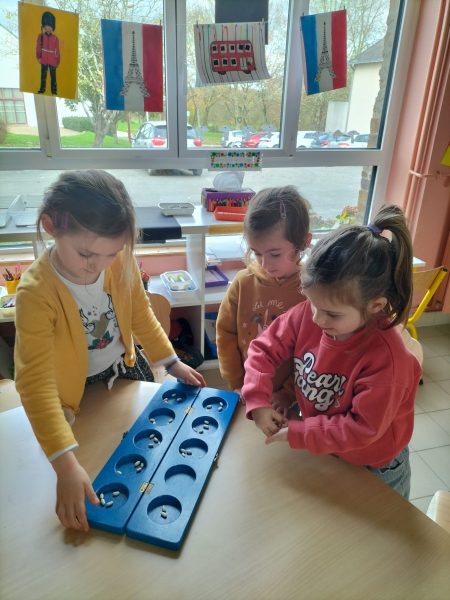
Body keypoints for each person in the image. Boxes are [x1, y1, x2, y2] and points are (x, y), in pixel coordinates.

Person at [14, 169, 206, 532]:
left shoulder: (119, 262)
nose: (100, 265)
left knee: (141, 452)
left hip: (124, 369)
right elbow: (34, 383)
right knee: (89, 459)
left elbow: (140, 315)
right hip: (70, 394)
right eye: (87, 253)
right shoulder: (35, 293)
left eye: (112, 253)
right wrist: (64, 466)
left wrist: (171, 361)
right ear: (51, 227)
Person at [242, 204, 422, 499]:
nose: (317, 319)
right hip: (329, 446)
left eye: (332, 314)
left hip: (375, 465)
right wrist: (258, 400)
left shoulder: (388, 361)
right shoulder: (310, 314)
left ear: (375, 306)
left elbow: (361, 429)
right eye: (313, 304)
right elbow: (262, 349)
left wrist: (301, 431)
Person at [216, 186, 311, 412]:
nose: (265, 264)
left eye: (275, 254)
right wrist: (237, 382)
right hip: (244, 390)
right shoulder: (243, 282)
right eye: (257, 253)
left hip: (288, 399)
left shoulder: (312, 291)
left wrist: (287, 393)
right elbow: (225, 334)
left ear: (304, 242)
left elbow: (312, 353)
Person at [36, 11, 60, 95]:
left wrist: (57, 61)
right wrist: (39, 56)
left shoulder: (55, 38)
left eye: (50, 26)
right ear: (44, 26)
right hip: (44, 59)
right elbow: (38, 47)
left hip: (53, 60)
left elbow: (57, 50)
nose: (48, 27)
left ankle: (54, 90)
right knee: (43, 75)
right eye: (46, 25)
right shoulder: (41, 36)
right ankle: (42, 89)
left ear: (52, 27)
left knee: (53, 77)